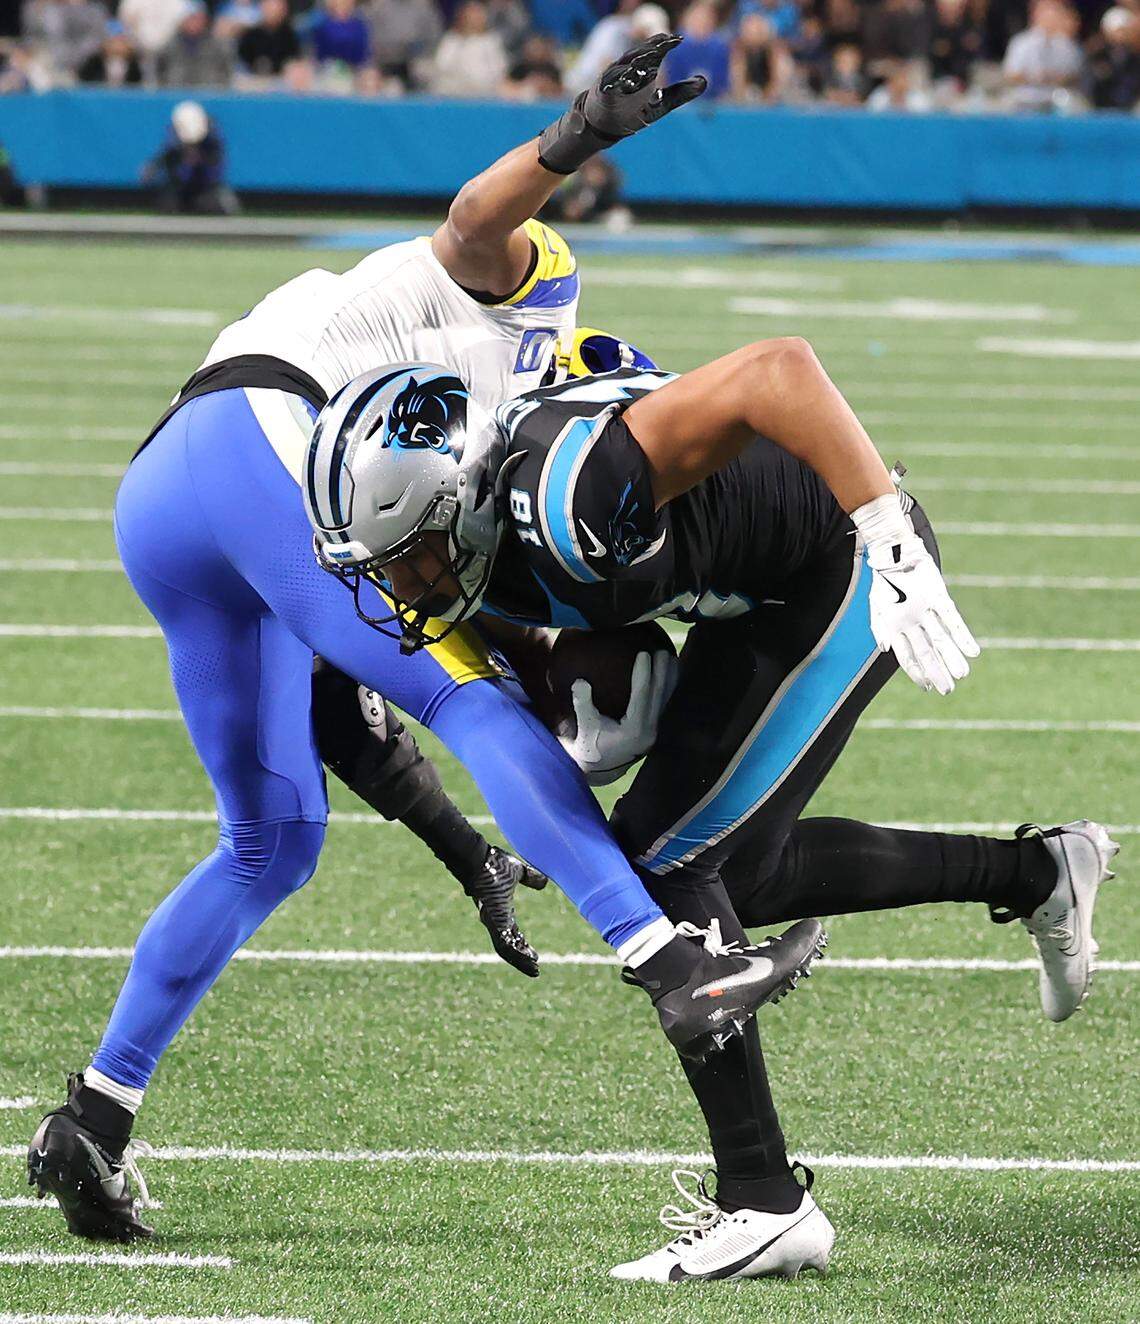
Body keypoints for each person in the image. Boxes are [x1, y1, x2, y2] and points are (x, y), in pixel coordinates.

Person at [28, 36, 825, 1251]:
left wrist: (469, 855)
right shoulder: (524, 310)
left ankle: (93, 1117)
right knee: (470, 698)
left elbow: (345, 702)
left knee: (272, 842)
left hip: (170, 496)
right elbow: (474, 222)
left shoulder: (453, 414)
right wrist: (576, 138)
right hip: (262, 444)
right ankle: (673, 966)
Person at [306, 342, 1118, 1280]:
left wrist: (888, 531)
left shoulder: (567, 494)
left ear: (467, 499)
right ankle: (1039, 871)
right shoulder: (479, 543)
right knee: (735, 872)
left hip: (846, 560)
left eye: (408, 558)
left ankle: (764, 1200)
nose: (398, 589)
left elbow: (778, 370)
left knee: (667, 861)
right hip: (755, 597)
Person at [140, 100, 239, 215]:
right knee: (168, 203)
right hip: (181, 190)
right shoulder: (174, 143)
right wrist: (155, 167)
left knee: (215, 204)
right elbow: (167, 162)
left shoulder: (212, 143)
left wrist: (199, 163)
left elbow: (215, 173)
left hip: (206, 189)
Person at [1003, 0, 1084, 111]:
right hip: (1025, 102)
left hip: (1057, 102)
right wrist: (1035, 78)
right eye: (1046, 12)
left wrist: (1054, 78)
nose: (1051, 17)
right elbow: (1010, 75)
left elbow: (1075, 75)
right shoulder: (1021, 42)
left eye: (1055, 12)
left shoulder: (1067, 44)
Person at [425, 1, 508, 98]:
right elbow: (441, 66)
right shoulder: (451, 40)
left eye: (477, 13)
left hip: (484, 91)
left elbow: (499, 69)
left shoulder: (491, 41)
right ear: (463, 15)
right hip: (453, 91)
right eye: (471, 13)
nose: (474, 18)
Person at [159, 1, 234, 88]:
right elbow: (160, 70)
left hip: (209, 92)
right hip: (176, 91)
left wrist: (221, 88)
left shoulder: (218, 46)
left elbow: (227, 71)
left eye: (198, 18)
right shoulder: (169, 45)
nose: (194, 22)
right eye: (191, 18)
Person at [236, 0, 301, 78]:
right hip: (254, 80)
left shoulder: (291, 35)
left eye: (278, 8)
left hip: (283, 80)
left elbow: (295, 61)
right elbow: (241, 64)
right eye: (270, 8)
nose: (274, 12)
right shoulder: (250, 35)